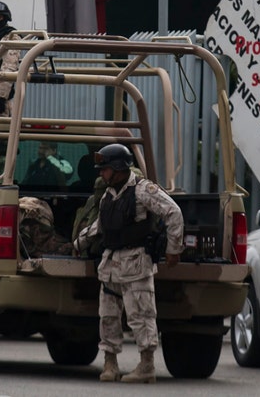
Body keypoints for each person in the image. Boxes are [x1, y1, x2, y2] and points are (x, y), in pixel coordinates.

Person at [73, 143, 183, 384]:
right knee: (108, 316)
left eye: (105, 169)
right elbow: (101, 226)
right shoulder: (108, 195)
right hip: (110, 264)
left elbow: (173, 213)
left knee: (141, 315)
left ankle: (146, 366)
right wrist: (79, 243)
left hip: (135, 263)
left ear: (118, 168)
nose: (101, 173)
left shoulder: (143, 190)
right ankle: (110, 364)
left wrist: (173, 250)